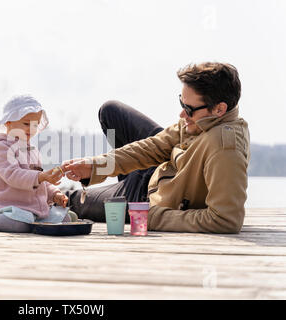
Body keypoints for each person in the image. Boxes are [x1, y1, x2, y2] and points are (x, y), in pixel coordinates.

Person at [62, 62, 250, 234]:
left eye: (190, 109)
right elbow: (152, 147)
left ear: (219, 109)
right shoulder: (199, 122)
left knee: (70, 200)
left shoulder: (226, 149)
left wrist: (149, 216)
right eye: (181, 103)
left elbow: (225, 220)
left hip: (147, 201)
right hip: (159, 174)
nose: (182, 113)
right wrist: (94, 166)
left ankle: (66, 196)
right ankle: (118, 182)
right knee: (110, 111)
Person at [0, 95, 77, 233]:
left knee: (65, 218)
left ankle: (45, 217)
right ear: (8, 123)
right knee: (18, 225)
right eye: (26, 124)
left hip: (34, 209)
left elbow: (41, 181)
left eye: (35, 125)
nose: (31, 128)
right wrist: (41, 176)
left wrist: (55, 194)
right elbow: (14, 176)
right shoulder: (1, 148)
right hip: (11, 205)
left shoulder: (33, 151)